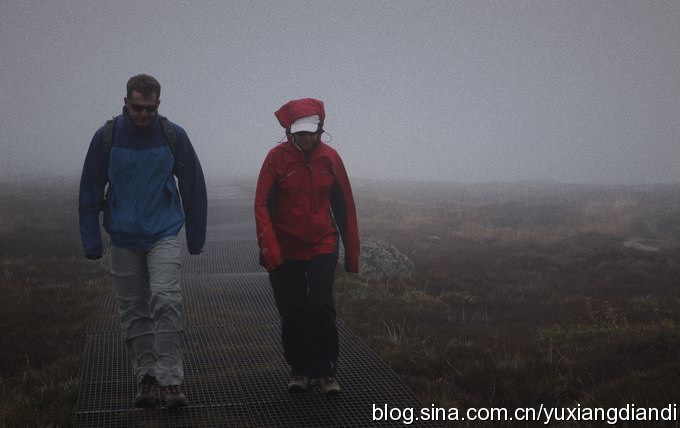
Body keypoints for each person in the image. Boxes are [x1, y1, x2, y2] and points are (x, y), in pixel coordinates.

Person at [78, 74, 207, 410]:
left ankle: (171, 381)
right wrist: (91, 241)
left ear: (158, 104)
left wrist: (196, 236)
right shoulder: (105, 137)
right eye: (138, 108)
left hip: (163, 233)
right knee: (133, 310)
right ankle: (146, 378)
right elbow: (90, 187)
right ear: (126, 102)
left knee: (166, 301)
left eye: (150, 108)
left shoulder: (173, 136)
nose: (144, 115)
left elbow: (193, 184)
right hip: (122, 237)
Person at [254, 98, 360, 395]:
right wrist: (270, 250)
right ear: (290, 131)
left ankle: (325, 371)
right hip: (284, 246)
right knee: (293, 310)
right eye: (300, 133)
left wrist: (352, 255)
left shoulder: (330, 158)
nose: (306, 138)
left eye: (311, 132)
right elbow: (261, 205)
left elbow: (344, 205)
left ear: (320, 129)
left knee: (321, 306)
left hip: (322, 243)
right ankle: (299, 369)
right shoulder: (276, 159)